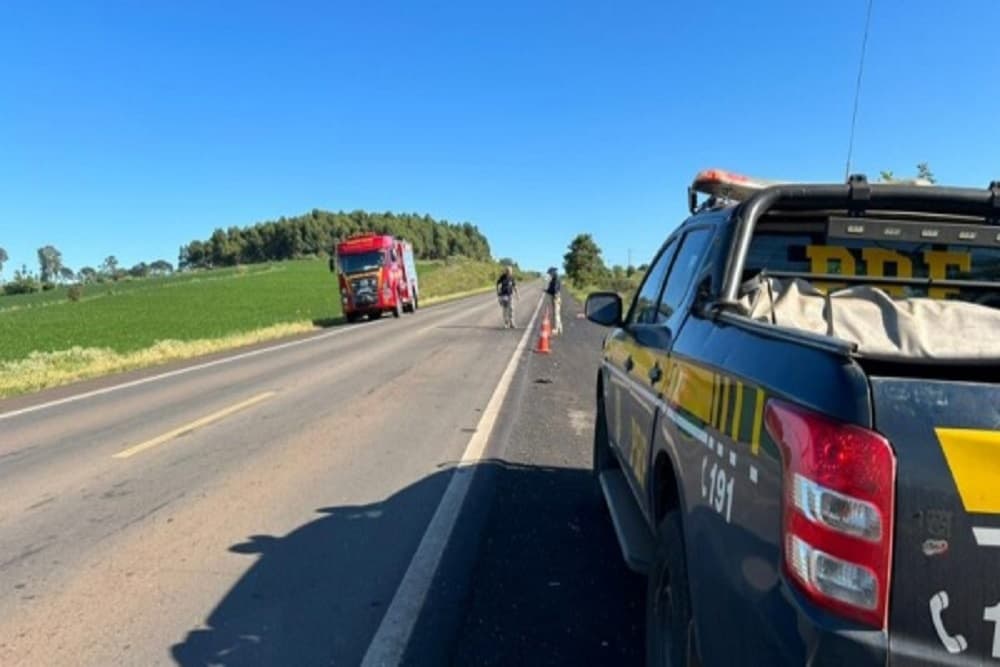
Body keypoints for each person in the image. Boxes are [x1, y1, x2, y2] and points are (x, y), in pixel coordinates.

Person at [545, 267, 563, 336]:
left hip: (556, 297)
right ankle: (560, 327)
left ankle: (556, 329)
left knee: (556, 313)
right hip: (556, 297)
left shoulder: (556, 279)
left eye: (550, 273)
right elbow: (551, 289)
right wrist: (547, 290)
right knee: (557, 313)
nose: (549, 274)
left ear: (553, 272)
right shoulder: (554, 279)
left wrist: (547, 291)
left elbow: (554, 290)